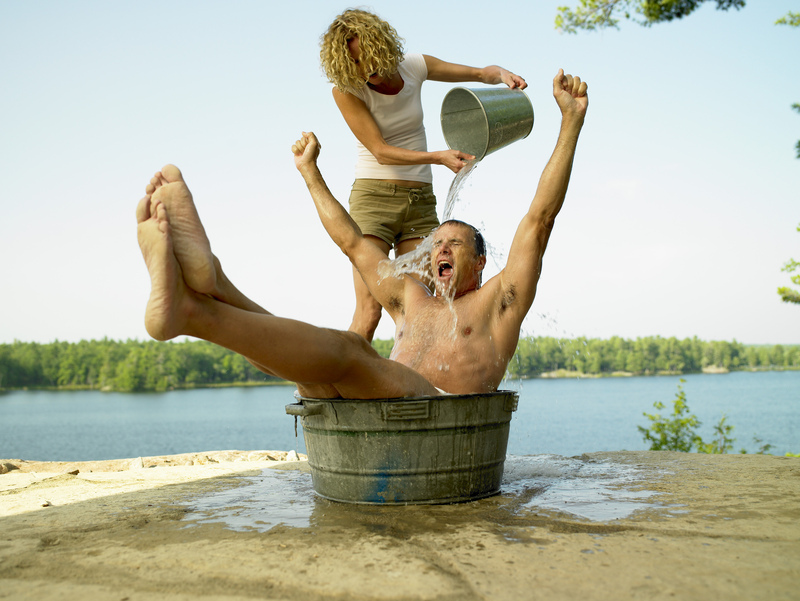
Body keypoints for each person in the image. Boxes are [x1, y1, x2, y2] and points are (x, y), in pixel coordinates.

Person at [135, 70, 587, 399]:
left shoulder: (498, 301)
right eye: (436, 244)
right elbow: (352, 242)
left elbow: (539, 218)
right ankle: (215, 285)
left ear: (480, 261)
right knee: (311, 375)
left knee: (349, 352)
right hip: (381, 404)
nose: (440, 249)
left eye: (454, 244)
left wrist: (570, 123)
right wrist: (310, 173)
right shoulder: (411, 299)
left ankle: (193, 311)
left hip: (436, 410)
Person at [320, 8, 527, 341]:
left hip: (419, 202)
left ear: (382, 45)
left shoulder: (415, 65)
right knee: (370, 311)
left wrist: (501, 74)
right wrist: (437, 156)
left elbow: (477, 72)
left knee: (423, 308)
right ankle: (342, 390)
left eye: (369, 57)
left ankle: (419, 387)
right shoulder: (346, 91)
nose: (366, 68)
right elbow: (380, 151)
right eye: (355, 63)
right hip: (374, 201)